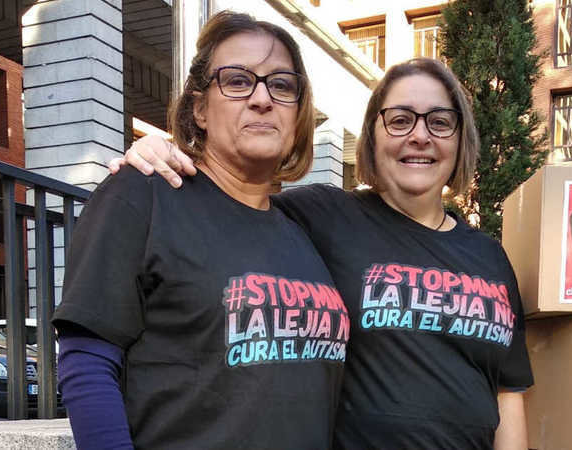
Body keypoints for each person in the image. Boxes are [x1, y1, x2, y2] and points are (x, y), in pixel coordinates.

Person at [115, 57, 533, 449]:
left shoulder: (490, 258)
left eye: (440, 122)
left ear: (460, 139)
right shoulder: (323, 215)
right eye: (400, 120)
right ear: (372, 136)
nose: (419, 136)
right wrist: (163, 153)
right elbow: (228, 200)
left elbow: (507, 392)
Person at [52, 11, 349, 449]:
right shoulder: (145, 194)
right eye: (237, 81)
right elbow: (87, 360)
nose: (262, 99)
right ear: (199, 108)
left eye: (282, 85)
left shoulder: (304, 228)